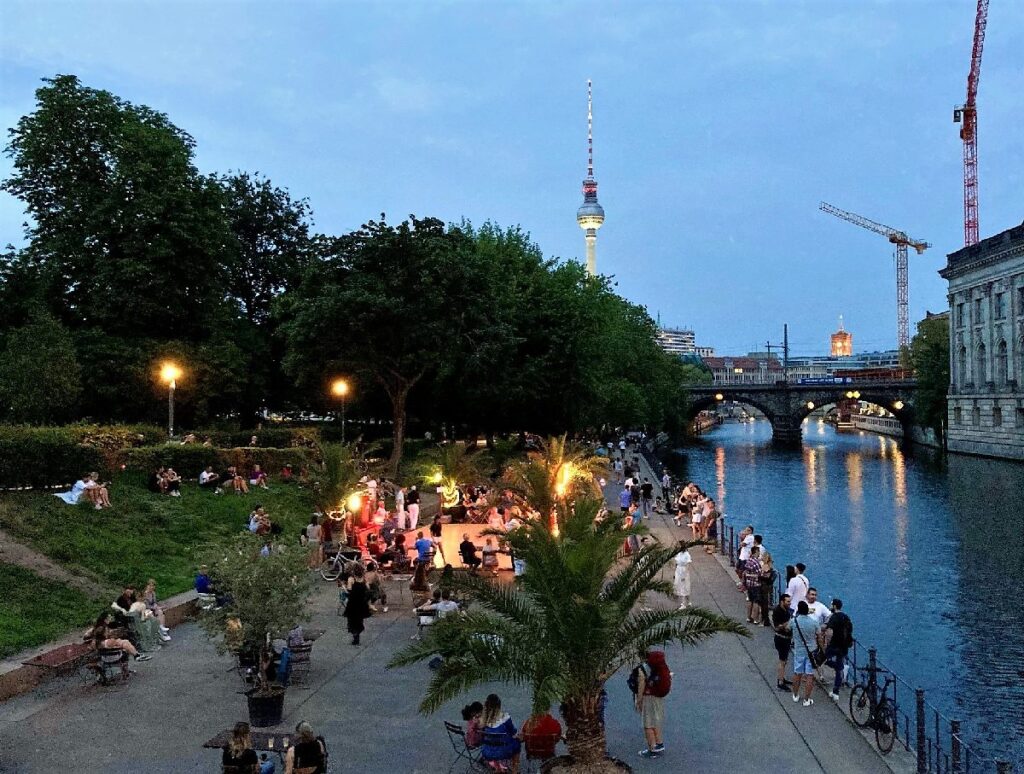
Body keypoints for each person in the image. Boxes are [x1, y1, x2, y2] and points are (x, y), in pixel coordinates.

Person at [635, 650, 671, 759]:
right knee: (655, 721)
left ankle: (652, 748)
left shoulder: (644, 669)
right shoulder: (660, 667)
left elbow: (641, 685)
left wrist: (639, 700)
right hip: (658, 697)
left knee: (647, 724)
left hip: (649, 697)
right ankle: (659, 743)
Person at [791, 600, 822, 707]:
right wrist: (822, 649)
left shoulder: (794, 621)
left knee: (797, 673)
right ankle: (807, 699)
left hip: (799, 651)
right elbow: (819, 636)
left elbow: (787, 628)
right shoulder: (814, 622)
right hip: (811, 652)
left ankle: (795, 695)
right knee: (809, 675)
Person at [480, 693, 521, 773]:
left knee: (494, 744)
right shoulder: (505, 718)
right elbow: (513, 733)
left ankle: (498, 769)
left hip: (487, 752)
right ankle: (515, 770)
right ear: (499, 705)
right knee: (517, 743)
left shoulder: (484, 721)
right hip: (504, 751)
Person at [824, 598, 853, 702]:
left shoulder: (834, 617)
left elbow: (829, 631)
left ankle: (838, 667)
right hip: (844, 646)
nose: (830, 606)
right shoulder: (846, 617)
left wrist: (826, 643)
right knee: (839, 668)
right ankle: (836, 692)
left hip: (834, 644)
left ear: (834, 606)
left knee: (822, 659)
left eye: (831, 605)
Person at [343, 563, 371, 645]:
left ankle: (355, 635)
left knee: (352, 620)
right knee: (359, 619)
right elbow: (368, 588)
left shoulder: (351, 579)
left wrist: (343, 587)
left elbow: (349, 591)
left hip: (353, 603)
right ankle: (358, 633)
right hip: (361, 603)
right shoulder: (364, 579)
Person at [772, 593, 794, 692]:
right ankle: (780, 682)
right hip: (781, 638)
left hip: (786, 638)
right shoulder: (777, 611)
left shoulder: (786, 610)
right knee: (782, 661)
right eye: (788, 601)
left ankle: (782, 678)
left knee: (784, 660)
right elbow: (777, 626)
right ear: (782, 601)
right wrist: (788, 623)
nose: (790, 603)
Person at [743, 545, 764, 624]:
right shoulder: (756, 563)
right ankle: (755, 619)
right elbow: (760, 573)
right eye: (758, 552)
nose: (759, 553)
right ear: (756, 552)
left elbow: (746, 572)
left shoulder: (749, 561)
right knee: (756, 601)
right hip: (756, 584)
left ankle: (748, 617)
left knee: (750, 600)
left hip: (749, 584)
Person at [758, 551, 776, 627]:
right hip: (768, 586)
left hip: (764, 587)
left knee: (764, 604)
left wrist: (759, 576)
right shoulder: (770, 566)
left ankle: (765, 620)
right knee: (765, 603)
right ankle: (765, 619)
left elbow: (765, 576)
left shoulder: (766, 567)